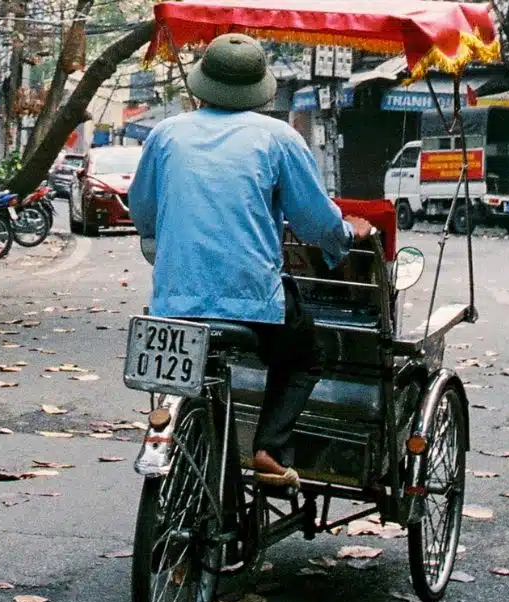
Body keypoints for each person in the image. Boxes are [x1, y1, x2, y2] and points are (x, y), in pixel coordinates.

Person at [128, 33, 375, 489]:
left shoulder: (165, 134)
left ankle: (178, 431)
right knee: (305, 356)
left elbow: (142, 211)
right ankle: (268, 449)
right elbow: (316, 223)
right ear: (259, 88)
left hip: (174, 303)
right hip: (253, 306)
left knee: (187, 377)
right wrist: (346, 234)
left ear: (203, 84)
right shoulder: (278, 138)